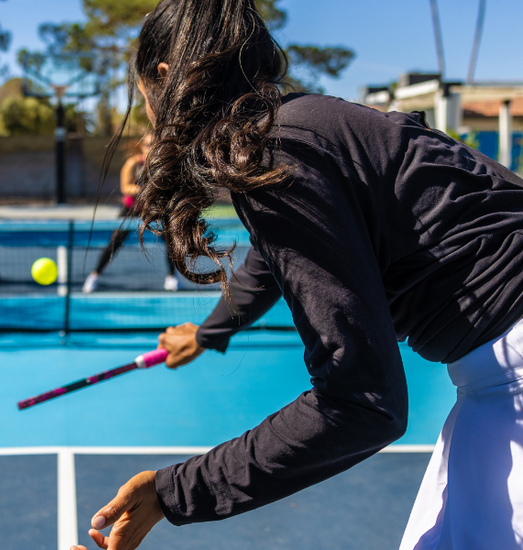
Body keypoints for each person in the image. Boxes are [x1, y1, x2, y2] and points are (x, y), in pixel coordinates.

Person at [72, 1, 523, 550]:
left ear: (166, 79)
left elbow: (361, 400)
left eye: (141, 95)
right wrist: (209, 332)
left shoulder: (276, 147)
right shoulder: (301, 126)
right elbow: (271, 261)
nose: (146, 114)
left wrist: (176, 492)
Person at [83, 132, 179, 293]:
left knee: (170, 242)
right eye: (148, 144)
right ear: (142, 146)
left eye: (155, 143)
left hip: (156, 208)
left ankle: (171, 278)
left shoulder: (164, 165)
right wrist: (144, 189)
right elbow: (125, 187)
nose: (151, 147)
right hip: (132, 209)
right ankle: (94, 276)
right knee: (115, 242)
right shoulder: (134, 163)